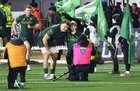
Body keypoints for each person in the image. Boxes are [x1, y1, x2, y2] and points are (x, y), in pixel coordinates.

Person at [12, 5, 40, 71]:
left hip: (30, 36)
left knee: (27, 50)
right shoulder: (21, 17)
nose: (29, 12)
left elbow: (38, 26)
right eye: (27, 10)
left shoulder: (33, 17)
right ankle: (27, 65)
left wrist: (32, 27)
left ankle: (24, 62)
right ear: (25, 11)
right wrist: (15, 31)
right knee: (27, 46)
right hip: (23, 35)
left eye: (30, 11)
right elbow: (14, 23)